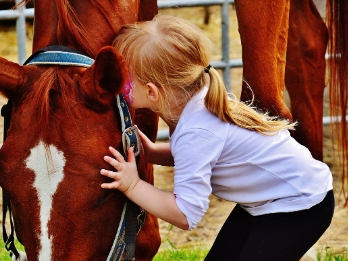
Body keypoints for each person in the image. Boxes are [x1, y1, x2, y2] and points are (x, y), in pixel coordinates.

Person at [99, 14, 334, 260]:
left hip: (301, 206)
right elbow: (205, 154)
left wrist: (133, 185)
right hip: (274, 199)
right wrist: (153, 152)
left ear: (152, 91)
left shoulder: (197, 130)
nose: (118, 84)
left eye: (124, 78)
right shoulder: (196, 101)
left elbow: (185, 213)